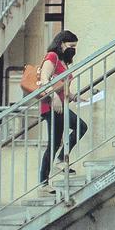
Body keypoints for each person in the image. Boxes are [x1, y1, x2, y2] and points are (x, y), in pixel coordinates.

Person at [38, 30, 88, 194]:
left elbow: (62, 86)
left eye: (75, 46)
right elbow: (44, 79)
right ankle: (43, 184)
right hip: (51, 105)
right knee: (54, 143)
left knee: (79, 128)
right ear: (61, 43)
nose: (73, 49)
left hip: (60, 105)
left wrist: (74, 97)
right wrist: (54, 97)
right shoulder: (52, 56)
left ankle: (60, 160)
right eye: (71, 45)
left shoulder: (64, 61)